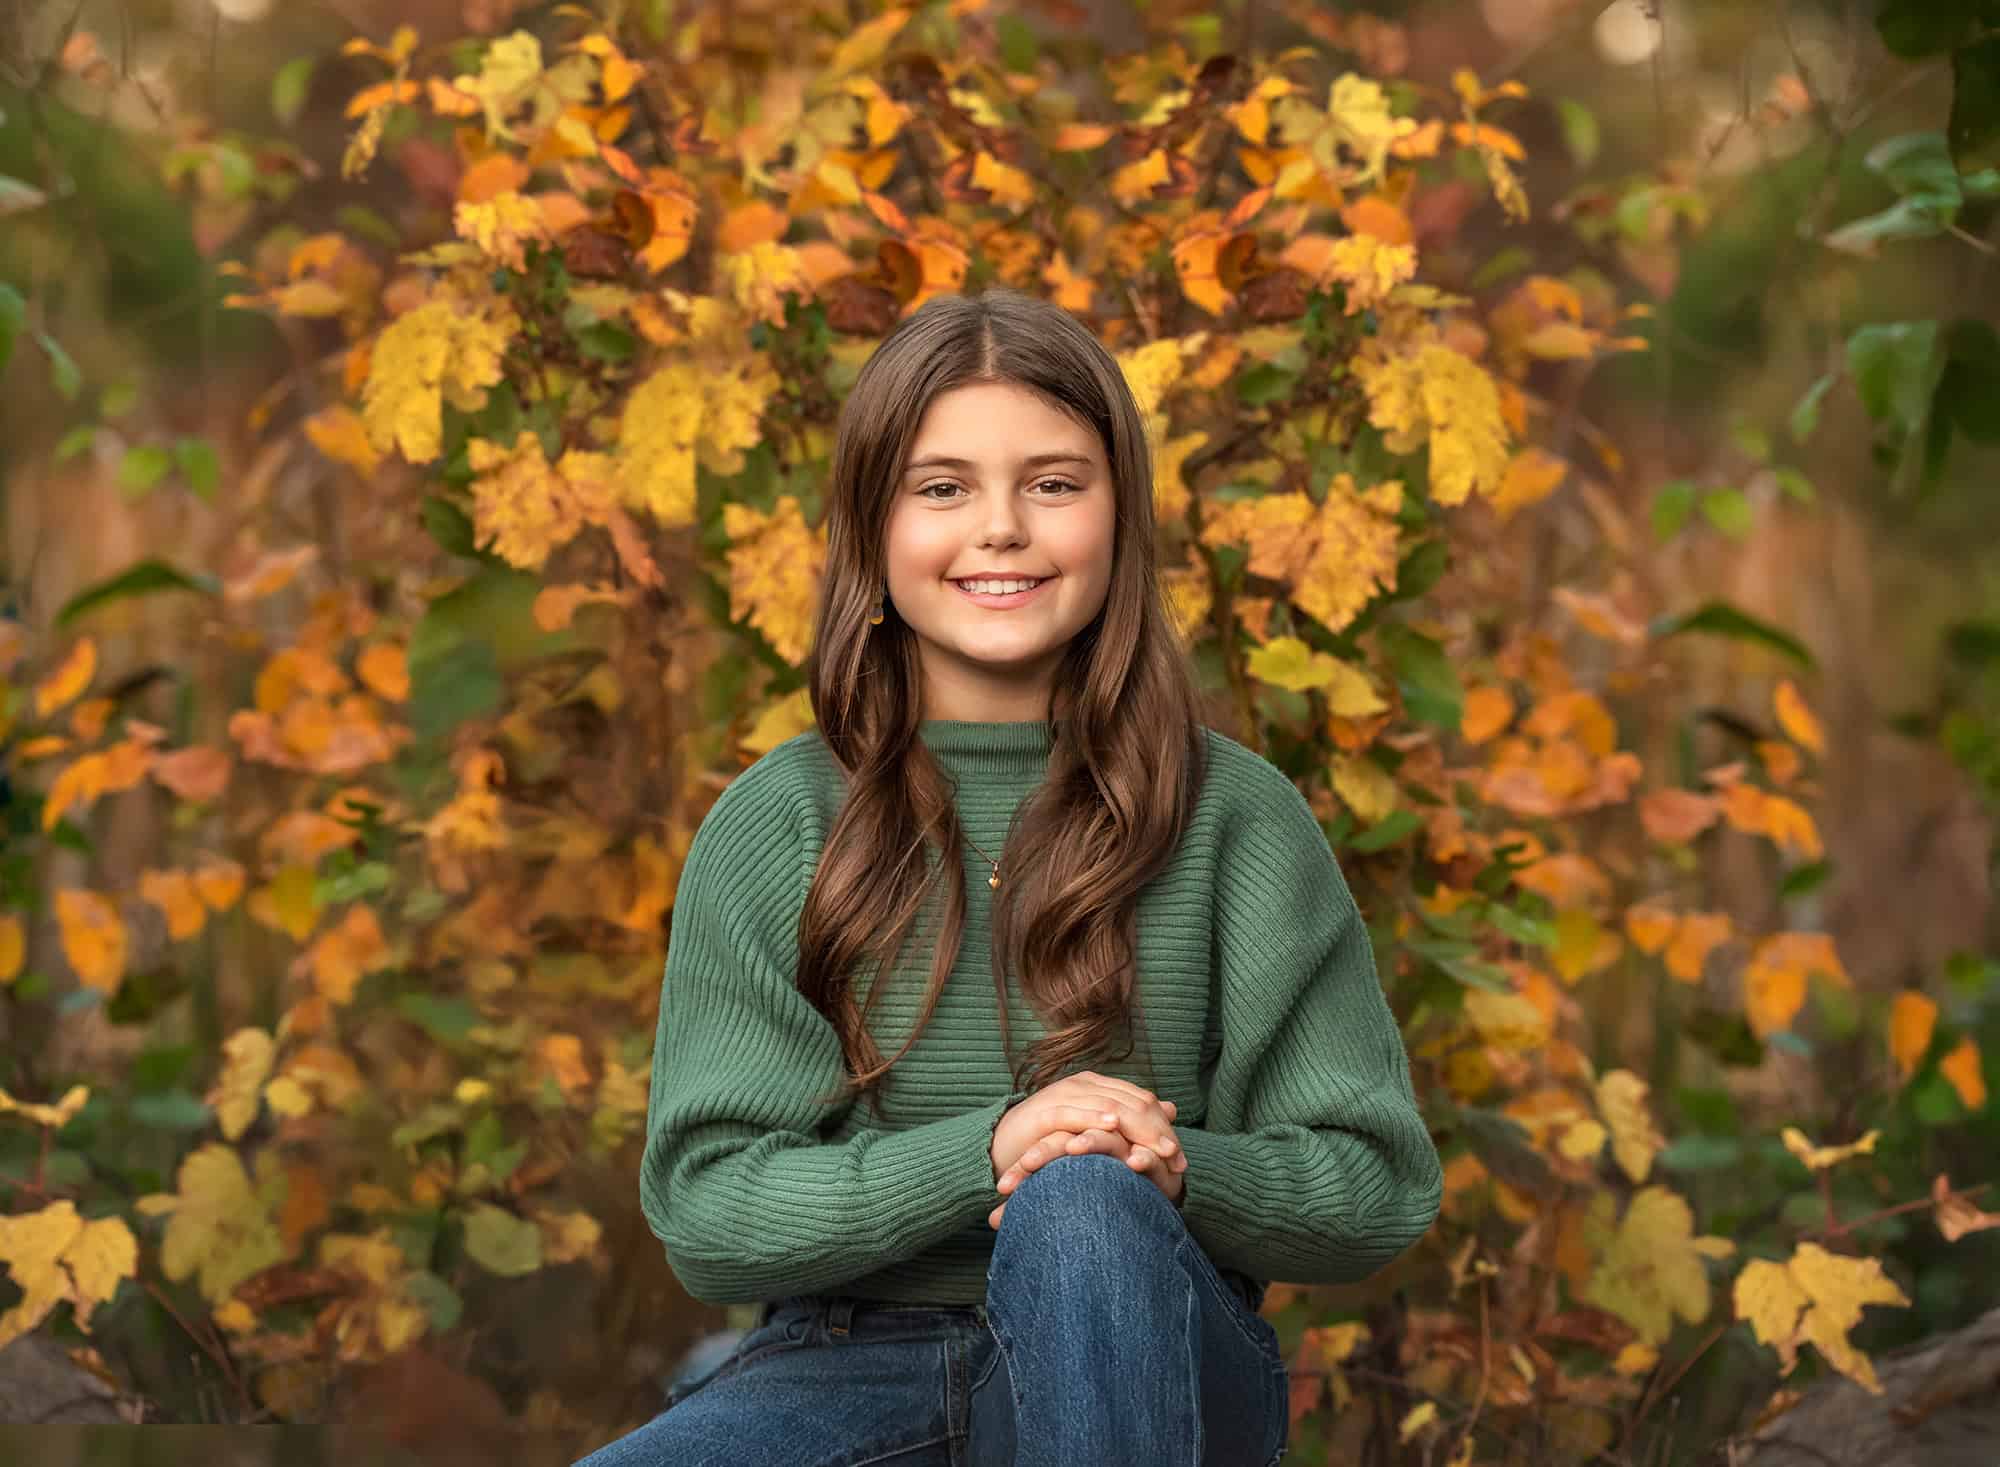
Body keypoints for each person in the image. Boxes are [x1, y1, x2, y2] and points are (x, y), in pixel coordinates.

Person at [574, 285, 1442, 1467]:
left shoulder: (1233, 816)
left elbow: (1371, 1185)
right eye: (942, 488)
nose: (1001, 529)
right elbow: (712, 1212)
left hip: (1158, 1351)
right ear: (873, 534)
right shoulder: (778, 822)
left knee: (1083, 1202)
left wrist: (1161, 1170)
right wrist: (994, 1148)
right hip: (848, 1363)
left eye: (1052, 483)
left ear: (1115, 521)